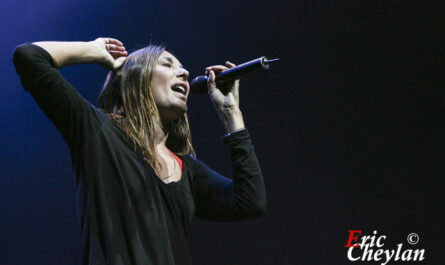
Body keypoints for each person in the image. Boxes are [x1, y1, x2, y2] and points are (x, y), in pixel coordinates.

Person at [13, 37, 266, 265]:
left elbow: (249, 202)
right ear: (136, 77)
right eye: (167, 64)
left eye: (181, 68)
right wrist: (93, 50)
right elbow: (29, 57)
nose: (185, 72)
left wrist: (231, 114)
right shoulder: (98, 132)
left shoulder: (186, 169)